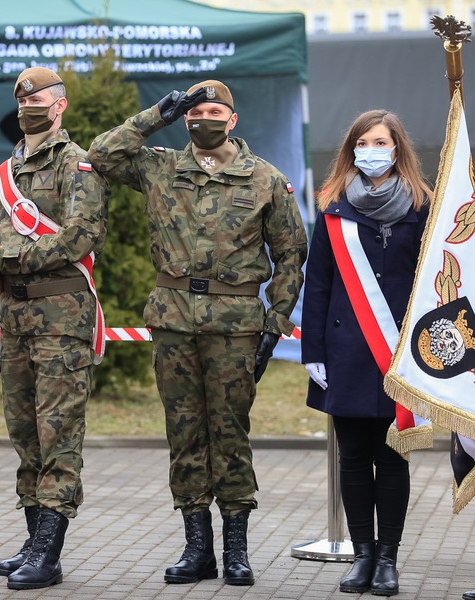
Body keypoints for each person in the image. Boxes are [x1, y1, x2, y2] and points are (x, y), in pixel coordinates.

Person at [88, 80, 307, 586]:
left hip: (235, 325)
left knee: (230, 433)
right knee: (184, 432)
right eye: (194, 112)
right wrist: (157, 114)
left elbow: (290, 255)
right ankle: (197, 547)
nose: (201, 119)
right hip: (173, 319)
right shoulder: (161, 166)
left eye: (212, 111)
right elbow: (101, 154)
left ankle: (236, 549)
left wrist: (276, 322)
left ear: (232, 120)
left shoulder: (265, 179)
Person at [0, 66, 108, 590]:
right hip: (16, 319)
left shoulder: (80, 165)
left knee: (59, 435)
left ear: (60, 106)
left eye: (41, 99)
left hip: (61, 318)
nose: (31, 105)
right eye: (23, 99)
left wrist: (7, 258)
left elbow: (82, 236)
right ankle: (34, 540)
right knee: (24, 433)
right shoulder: (6, 171)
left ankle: (49, 550)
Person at [302, 110, 431, 596]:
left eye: (381, 141)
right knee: (353, 457)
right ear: (351, 149)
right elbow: (318, 283)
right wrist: (313, 349)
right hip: (346, 352)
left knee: (392, 457)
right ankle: (361, 556)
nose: (371, 149)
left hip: (401, 351)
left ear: (397, 148)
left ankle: (388, 560)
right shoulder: (333, 206)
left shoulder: (423, 206)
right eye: (363, 141)